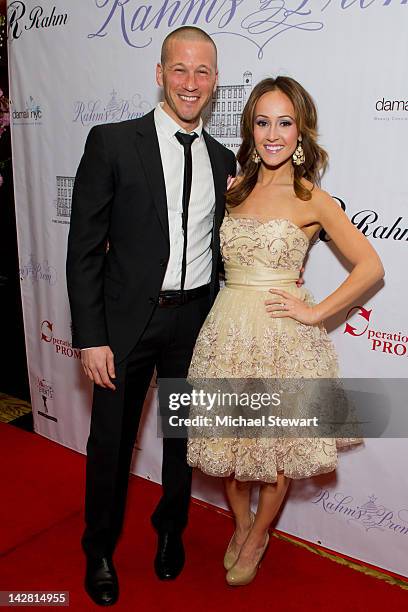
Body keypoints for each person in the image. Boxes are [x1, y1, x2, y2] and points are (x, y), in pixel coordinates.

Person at [186, 76, 384, 586]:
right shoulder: (233, 187)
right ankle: (244, 523)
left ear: (301, 130)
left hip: (281, 339)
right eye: (262, 122)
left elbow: (370, 268)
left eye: (285, 122)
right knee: (228, 449)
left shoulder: (312, 198)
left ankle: (256, 537)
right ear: (250, 129)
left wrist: (318, 313)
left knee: (274, 451)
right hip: (227, 330)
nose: (273, 134)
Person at [66, 26, 236, 606]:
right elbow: (85, 249)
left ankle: (170, 532)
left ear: (215, 83)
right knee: (110, 443)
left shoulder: (222, 158)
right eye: (180, 69)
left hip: (193, 324)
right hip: (123, 327)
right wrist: (90, 336)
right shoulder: (112, 142)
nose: (191, 83)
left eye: (203, 72)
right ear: (160, 73)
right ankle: (101, 548)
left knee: (182, 440)